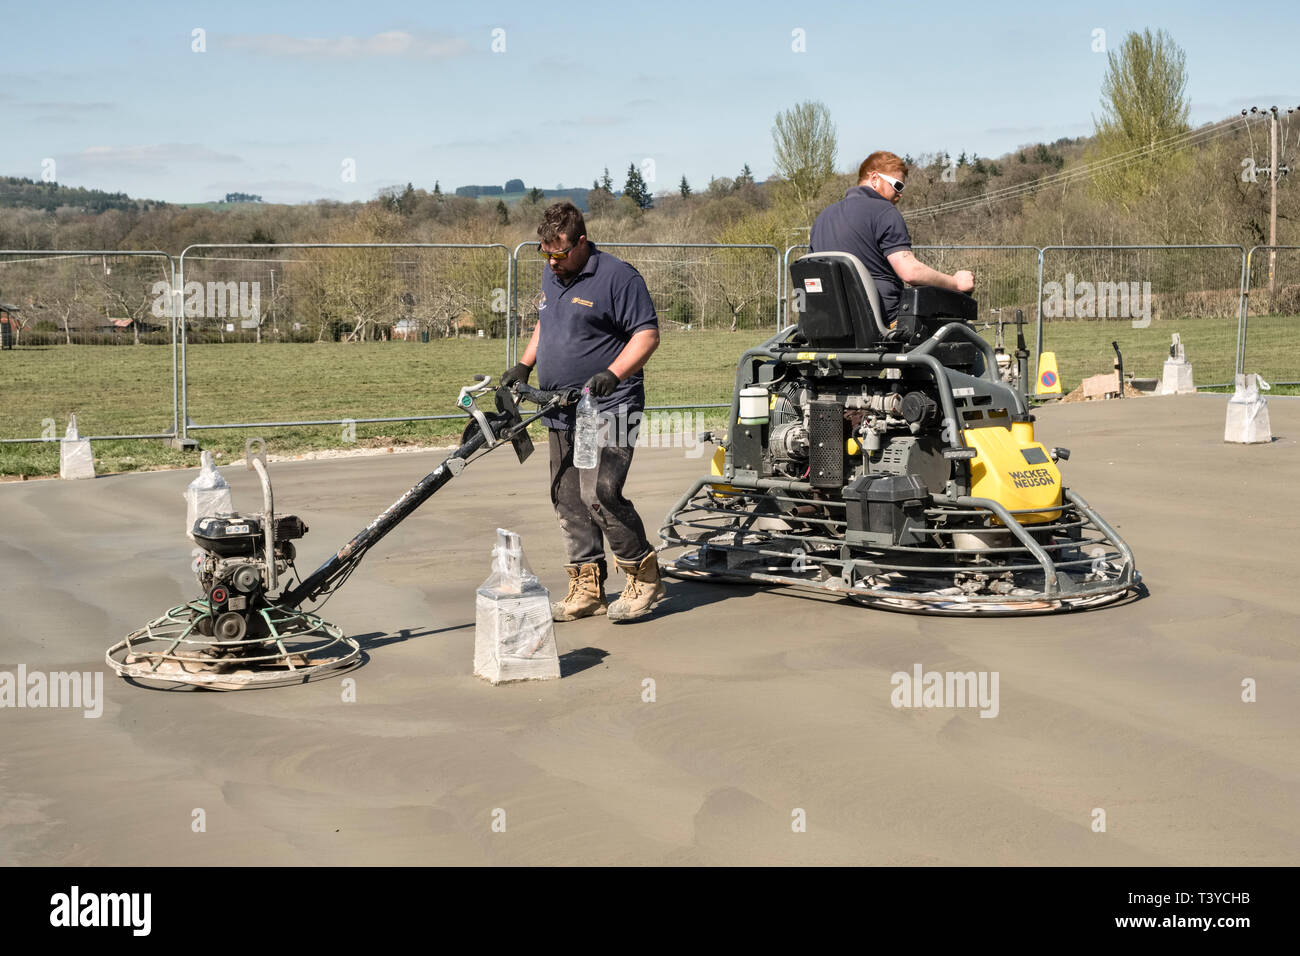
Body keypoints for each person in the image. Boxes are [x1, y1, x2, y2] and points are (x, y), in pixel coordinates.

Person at [501, 201, 666, 624]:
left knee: (600, 494)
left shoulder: (617, 277)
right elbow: (546, 322)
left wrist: (614, 372)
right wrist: (525, 363)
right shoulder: (552, 273)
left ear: (581, 242)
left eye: (559, 253)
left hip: (607, 407)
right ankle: (587, 586)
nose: (552, 262)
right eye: (545, 253)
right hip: (561, 408)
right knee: (568, 497)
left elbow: (647, 334)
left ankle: (643, 575)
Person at [810, 151, 974, 321]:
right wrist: (955, 283)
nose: (900, 194)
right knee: (959, 330)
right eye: (897, 185)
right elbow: (910, 272)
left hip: (829, 322)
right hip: (882, 322)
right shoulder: (885, 212)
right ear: (874, 178)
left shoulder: (822, 218)